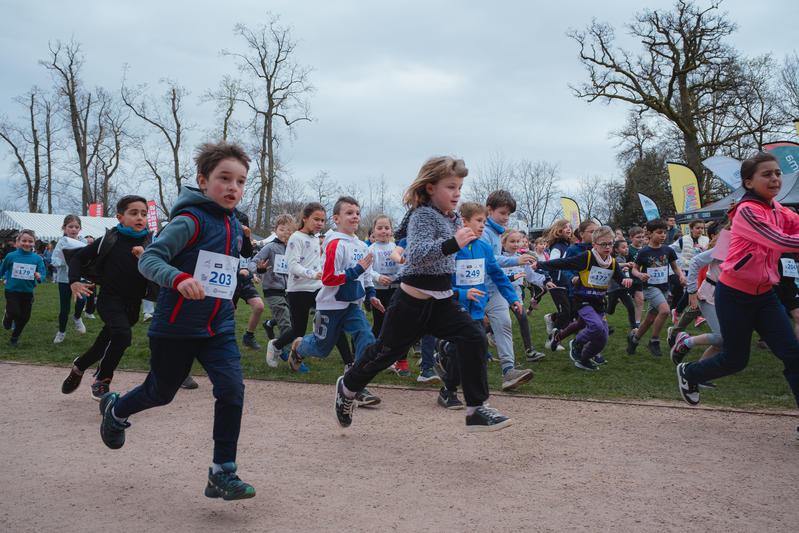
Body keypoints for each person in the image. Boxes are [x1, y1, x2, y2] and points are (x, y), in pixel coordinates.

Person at [97, 141, 256, 500]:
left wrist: (241, 275)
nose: (234, 187)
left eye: (241, 181)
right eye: (224, 178)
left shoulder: (234, 223)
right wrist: (180, 279)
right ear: (202, 181)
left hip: (218, 327)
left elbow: (221, 268)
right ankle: (117, 409)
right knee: (161, 392)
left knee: (232, 390)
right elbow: (149, 260)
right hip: (177, 327)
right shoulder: (189, 220)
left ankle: (221, 472)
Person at [334, 156, 513, 432]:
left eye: (460, 187)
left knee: (474, 336)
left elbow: (406, 238)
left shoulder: (450, 217)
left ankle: (476, 409)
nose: (457, 194)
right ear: (430, 187)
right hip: (411, 305)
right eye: (450, 187)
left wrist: (442, 239)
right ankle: (347, 388)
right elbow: (416, 254)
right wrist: (454, 242)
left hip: (442, 301)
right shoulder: (424, 215)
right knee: (383, 354)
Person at [676, 152, 799, 436]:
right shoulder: (746, 211)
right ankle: (689, 372)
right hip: (735, 295)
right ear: (748, 181)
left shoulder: (778, 210)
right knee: (736, 359)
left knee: (793, 355)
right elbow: (778, 240)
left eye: (778, 173)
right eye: (767, 174)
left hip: (765, 295)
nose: (775, 178)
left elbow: (794, 224)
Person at [287, 196, 383, 406]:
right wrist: (356, 269)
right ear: (337, 218)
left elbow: (365, 276)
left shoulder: (362, 245)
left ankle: (355, 384)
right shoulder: (335, 244)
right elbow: (328, 278)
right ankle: (300, 347)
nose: (355, 217)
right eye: (349, 213)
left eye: (357, 213)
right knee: (322, 348)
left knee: (366, 336)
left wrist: (372, 294)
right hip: (330, 307)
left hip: (352, 306)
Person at [435, 202, 527, 408]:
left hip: (477, 308)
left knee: (475, 349)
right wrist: (462, 293)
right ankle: (449, 390)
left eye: (484, 222)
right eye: (478, 221)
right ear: (463, 221)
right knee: (462, 350)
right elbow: (439, 282)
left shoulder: (483, 248)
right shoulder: (451, 248)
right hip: (454, 307)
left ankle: (447, 355)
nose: (482, 226)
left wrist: (512, 298)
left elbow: (497, 275)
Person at [61, 196, 152, 400]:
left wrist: (145, 257)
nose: (140, 218)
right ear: (120, 217)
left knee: (104, 344)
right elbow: (78, 257)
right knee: (123, 335)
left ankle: (79, 366)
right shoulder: (110, 239)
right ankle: (102, 379)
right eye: (134, 213)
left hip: (133, 304)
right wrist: (74, 281)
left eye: (144, 214)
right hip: (109, 299)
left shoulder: (150, 242)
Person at [537, 226, 633, 370]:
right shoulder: (587, 257)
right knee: (596, 326)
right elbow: (564, 263)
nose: (607, 247)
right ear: (594, 245)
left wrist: (626, 281)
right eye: (603, 244)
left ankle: (581, 358)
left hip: (598, 302)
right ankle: (576, 343)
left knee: (602, 338)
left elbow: (620, 279)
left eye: (610, 244)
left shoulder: (612, 262)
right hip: (582, 300)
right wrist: (540, 264)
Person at [479, 190, 536, 390]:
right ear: (490, 210)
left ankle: (508, 371)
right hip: (474, 291)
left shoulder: (497, 232)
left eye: (508, 214)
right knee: (465, 335)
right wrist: (516, 260)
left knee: (504, 325)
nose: (506, 218)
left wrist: (510, 296)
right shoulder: (483, 231)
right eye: (502, 213)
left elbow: (494, 267)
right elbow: (490, 261)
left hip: (494, 289)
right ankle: (440, 356)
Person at [669, 222, 727, 388]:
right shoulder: (722, 248)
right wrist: (692, 291)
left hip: (728, 297)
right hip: (709, 295)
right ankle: (685, 341)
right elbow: (695, 262)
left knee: (722, 342)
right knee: (721, 337)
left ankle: (697, 375)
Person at [627, 218, 686, 357]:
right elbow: (634, 270)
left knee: (649, 320)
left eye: (664, 233)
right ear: (650, 233)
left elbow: (675, 268)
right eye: (659, 232)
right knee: (665, 311)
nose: (663, 235)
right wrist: (640, 274)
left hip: (664, 288)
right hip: (650, 288)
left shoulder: (668, 250)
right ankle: (654, 341)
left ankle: (634, 340)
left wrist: (682, 276)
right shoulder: (644, 252)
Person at [249, 214, 294, 360]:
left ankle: (277, 347)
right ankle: (290, 355)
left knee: (290, 322)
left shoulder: (293, 249)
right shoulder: (270, 247)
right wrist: (260, 269)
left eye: (288, 230)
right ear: (275, 231)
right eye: (282, 229)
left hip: (290, 291)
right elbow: (251, 264)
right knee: (286, 322)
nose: (285, 233)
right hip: (272, 290)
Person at [500, 229, 546, 362]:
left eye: (518, 241)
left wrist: (545, 282)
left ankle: (529, 350)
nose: (515, 244)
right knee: (495, 323)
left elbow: (532, 276)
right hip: (499, 296)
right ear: (503, 242)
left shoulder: (523, 258)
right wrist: (512, 277)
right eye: (512, 241)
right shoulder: (498, 258)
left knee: (523, 318)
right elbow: (495, 277)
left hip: (515, 296)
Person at [0, 230, 46, 346]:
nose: (27, 243)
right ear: (19, 241)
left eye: (30, 241)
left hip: (27, 292)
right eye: (24, 241)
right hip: (12, 290)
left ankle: (14, 337)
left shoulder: (37, 258)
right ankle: (8, 316)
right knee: (14, 312)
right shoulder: (11, 256)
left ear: (34, 243)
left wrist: (39, 276)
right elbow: (2, 269)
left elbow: (42, 274)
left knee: (25, 317)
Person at [51, 214, 87, 343]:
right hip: (64, 279)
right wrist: (66, 259)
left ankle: (77, 317)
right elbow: (54, 260)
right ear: (64, 228)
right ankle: (61, 332)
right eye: (70, 227)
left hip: (80, 278)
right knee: (64, 308)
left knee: (82, 300)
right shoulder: (62, 242)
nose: (73, 229)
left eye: (76, 227)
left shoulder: (84, 242)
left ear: (80, 228)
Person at [232, 208, 264, 351]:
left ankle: (249, 336)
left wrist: (246, 236)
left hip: (243, 278)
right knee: (228, 312)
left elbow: (247, 254)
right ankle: (225, 340)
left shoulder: (242, 218)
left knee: (259, 306)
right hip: (229, 276)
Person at [543, 220, 575, 350]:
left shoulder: (569, 246)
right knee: (566, 312)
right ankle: (551, 341)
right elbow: (552, 263)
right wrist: (547, 280)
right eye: (565, 227)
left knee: (571, 312)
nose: (569, 229)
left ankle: (552, 317)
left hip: (568, 285)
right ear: (559, 230)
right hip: (557, 284)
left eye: (570, 227)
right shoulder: (557, 247)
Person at [670, 219, 708, 322]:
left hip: (701, 270)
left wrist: (703, 248)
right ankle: (694, 315)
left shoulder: (705, 240)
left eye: (702, 228)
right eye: (697, 228)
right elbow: (671, 249)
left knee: (695, 292)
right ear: (691, 229)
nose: (700, 230)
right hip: (687, 269)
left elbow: (710, 252)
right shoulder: (683, 240)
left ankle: (683, 312)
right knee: (692, 291)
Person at [606, 238, 637, 331]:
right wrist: (626, 265)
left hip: (622, 288)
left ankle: (634, 327)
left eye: (627, 247)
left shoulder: (623, 258)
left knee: (631, 306)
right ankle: (598, 312)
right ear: (616, 250)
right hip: (614, 288)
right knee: (610, 311)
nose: (626, 249)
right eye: (623, 247)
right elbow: (615, 265)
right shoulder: (616, 259)